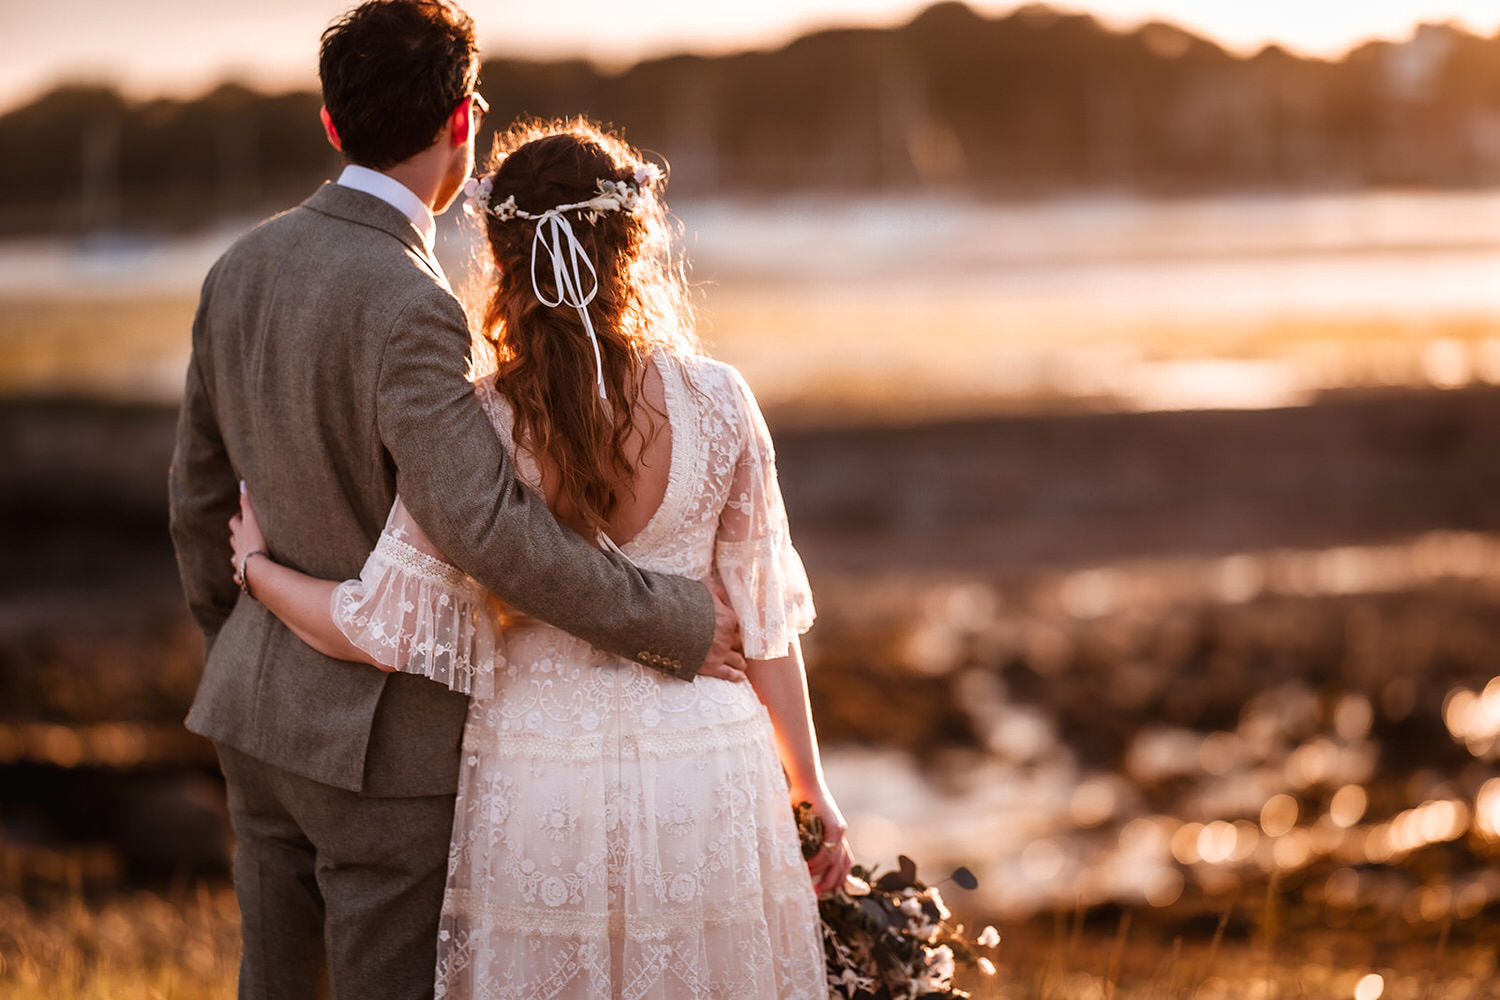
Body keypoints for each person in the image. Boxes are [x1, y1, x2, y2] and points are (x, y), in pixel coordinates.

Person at [168, 3, 742, 998]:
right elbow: (484, 528)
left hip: (253, 721)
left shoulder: (238, 267)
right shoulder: (411, 304)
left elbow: (196, 498)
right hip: (380, 755)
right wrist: (675, 621)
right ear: (465, 121)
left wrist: (237, 643)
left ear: (332, 124)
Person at [225, 116, 853, 999]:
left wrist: (256, 567)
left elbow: (375, 626)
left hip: (540, 778)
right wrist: (810, 787)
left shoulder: (481, 421)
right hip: (706, 765)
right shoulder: (721, 399)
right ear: (632, 240)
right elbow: (765, 624)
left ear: (503, 253)